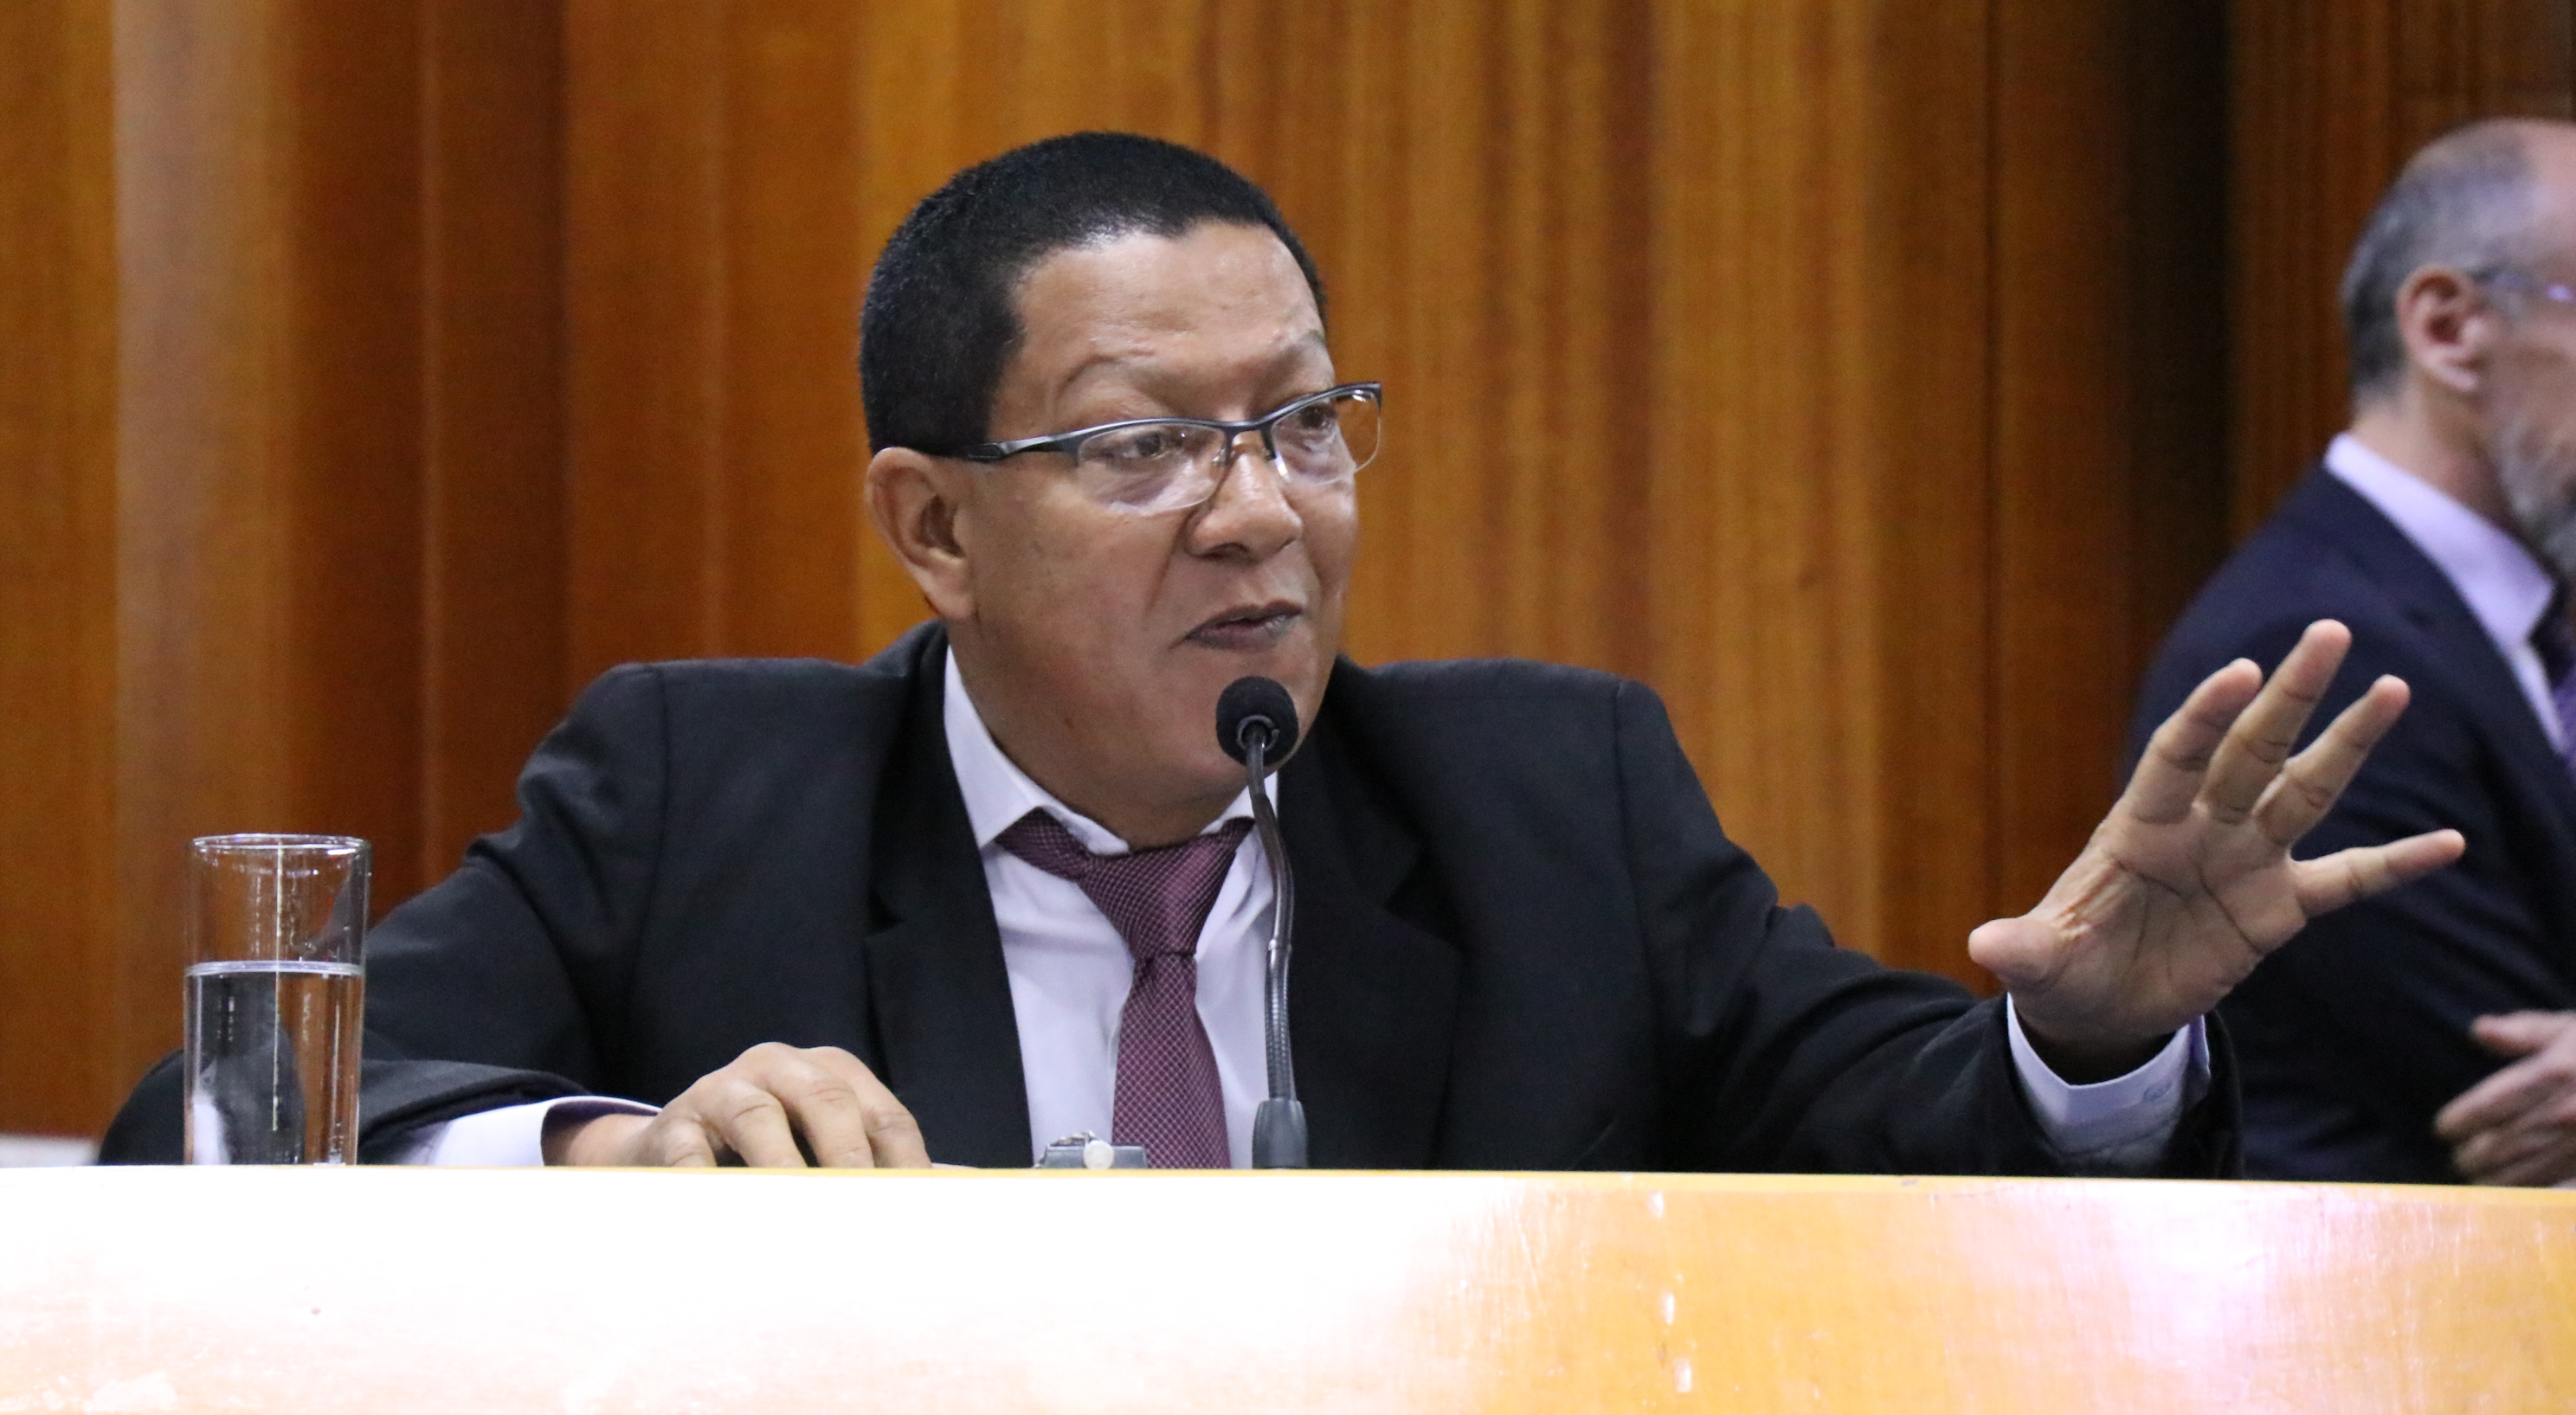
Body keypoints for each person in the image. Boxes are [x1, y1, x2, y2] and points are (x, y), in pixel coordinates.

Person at [106, 132, 2454, 1173]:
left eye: (1307, 423)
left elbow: (1894, 1133)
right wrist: (607, 1146)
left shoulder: (1546, 799)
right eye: (1146, 447)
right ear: (933, 526)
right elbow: (213, 1127)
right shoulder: (695, 796)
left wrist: (2088, 1031)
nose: (1261, 512)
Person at [2130, 118, 2576, 1185]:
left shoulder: (2507, 620)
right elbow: (2511, 1083)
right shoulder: (2321, 650)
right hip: (2388, 1280)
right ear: (2451, 328)